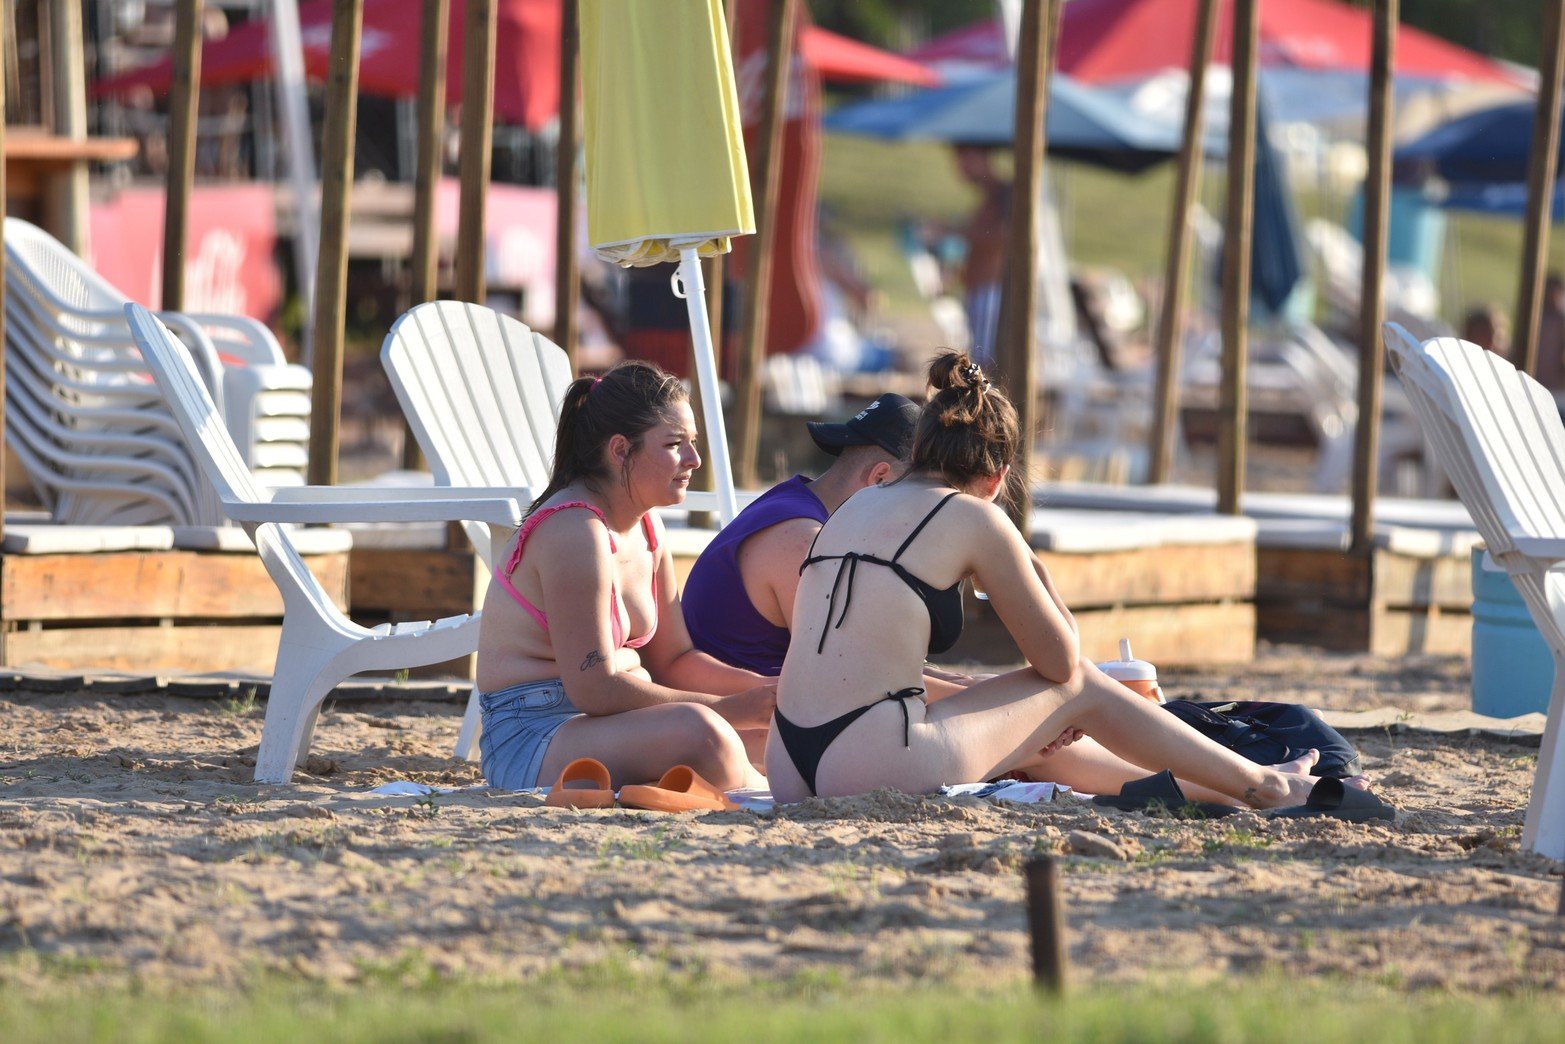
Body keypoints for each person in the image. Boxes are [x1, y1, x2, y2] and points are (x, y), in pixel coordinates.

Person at [766, 350, 1324, 809]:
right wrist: (1033, 566)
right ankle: (1267, 784)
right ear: (999, 475)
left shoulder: (856, 506)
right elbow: (1061, 667)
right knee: (1080, 685)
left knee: (1030, 717)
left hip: (788, 764)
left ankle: (1223, 790)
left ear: (916, 451)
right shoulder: (975, 516)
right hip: (871, 760)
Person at [475, 361, 775, 793]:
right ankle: (774, 795)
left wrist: (765, 691)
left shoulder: (647, 525)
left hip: (613, 721)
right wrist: (730, 709)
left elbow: (674, 661)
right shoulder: (575, 532)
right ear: (620, 450)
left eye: (693, 442)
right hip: (536, 734)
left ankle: (761, 779)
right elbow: (595, 688)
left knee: (770, 734)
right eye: (674, 444)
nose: (693, 459)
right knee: (704, 734)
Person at [681, 393, 921, 678]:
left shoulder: (799, 504)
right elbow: (849, 673)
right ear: (879, 478)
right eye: (919, 495)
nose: (922, 513)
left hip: (757, 707)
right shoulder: (804, 539)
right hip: (741, 715)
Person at [955, 145, 1011, 366]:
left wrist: (952, 231)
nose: (961, 169)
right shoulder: (989, 197)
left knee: (986, 362)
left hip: (992, 291)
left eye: (965, 160)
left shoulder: (1004, 195)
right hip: (979, 290)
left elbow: (1001, 236)